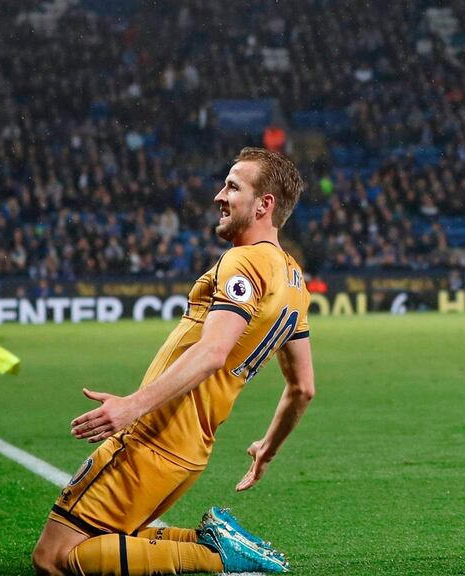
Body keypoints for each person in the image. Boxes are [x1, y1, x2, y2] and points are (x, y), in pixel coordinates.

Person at [32, 148, 316, 576]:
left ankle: (216, 558)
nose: (220, 195)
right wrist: (267, 450)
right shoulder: (294, 282)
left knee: (53, 558)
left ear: (265, 204)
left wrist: (130, 407)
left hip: (154, 437)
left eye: (233, 187)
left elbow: (213, 351)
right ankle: (216, 544)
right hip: (190, 448)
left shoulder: (246, 260)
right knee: (104, 544)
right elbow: (303, 389)